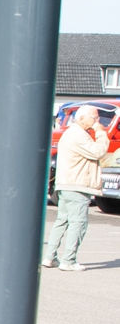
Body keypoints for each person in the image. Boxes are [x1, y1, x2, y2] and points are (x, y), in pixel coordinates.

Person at [41, 104, 108, 271]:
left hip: (66, 184)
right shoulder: (79, 135)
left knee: (62, 221)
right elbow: (98, 151)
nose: (96, 121)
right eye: (94, 117)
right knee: (78, 223)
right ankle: (68, 260)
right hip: (77, 185)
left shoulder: (70, 133)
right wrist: (100, 132)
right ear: (82, 118)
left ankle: (50, 257)